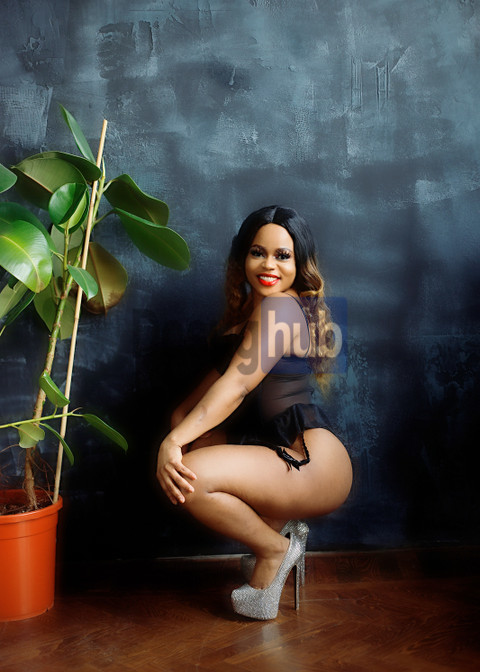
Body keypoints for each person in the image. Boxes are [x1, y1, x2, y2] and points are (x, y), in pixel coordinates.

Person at [156, 205, 352, 620]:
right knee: (191, 457)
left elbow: (238, 385)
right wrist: (181, 431)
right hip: (284, 453)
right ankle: (278, 537)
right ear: (242, 256)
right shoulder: (251, 313)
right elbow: (199, 399)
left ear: (300, 263)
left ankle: (276, 549)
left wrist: (173, 443)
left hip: (312, 459)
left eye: (283, 255)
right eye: (257, 252)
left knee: (192, 476)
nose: (268, 265)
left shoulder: (280, 308)